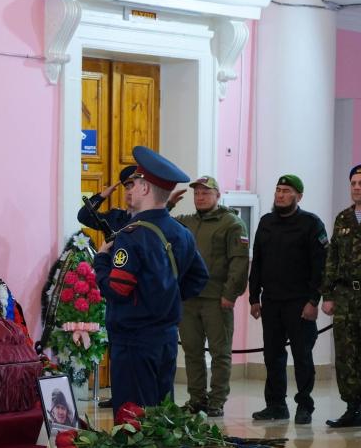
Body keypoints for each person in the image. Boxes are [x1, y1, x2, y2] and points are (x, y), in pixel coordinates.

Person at [93, 146, 209, 413]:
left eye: (134, 184)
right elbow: (199, 277)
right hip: (166, 337)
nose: (129, 190)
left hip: (133, 340)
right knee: (161, 414)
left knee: (133, 419)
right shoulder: (181, 232)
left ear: (146, 189)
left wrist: (100, 261)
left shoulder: (131, 235)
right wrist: (164, 297)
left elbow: (118, 289)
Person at [248, 174, 328, 425]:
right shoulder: (266, 222)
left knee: (302, 356)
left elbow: (320, 267)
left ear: (298, 196)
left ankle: (304, 405)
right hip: (271, 301)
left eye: (286, 191)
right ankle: (276, 405)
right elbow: (257, 263)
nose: (280, 195)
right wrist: (254, 297)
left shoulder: (311, 224)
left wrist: (314, 301)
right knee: (272, 356)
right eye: (278, 190)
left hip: (299, 302)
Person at [174, 175, 250, 418]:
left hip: (217, 299)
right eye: (197, 193)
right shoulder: (186, 222)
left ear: (218, 195)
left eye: (206, 193)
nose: (200, 197)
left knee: (220, 353)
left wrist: (230, 294)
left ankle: (217, 401)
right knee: (192, 351)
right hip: (189, 298)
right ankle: (197, 398)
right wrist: (168, 204)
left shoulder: (232, 223)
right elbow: (159, 223)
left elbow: (239, 262)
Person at [320, 164, 361, 428]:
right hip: (346, 296)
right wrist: (328, 294)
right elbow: (332, 259)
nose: (356, 188)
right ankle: (352, 408)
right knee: (346, 353)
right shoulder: (343, 218)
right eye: (353, 183)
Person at [77, 165, 138, 236]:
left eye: (134, 188)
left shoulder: (149, 219)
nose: (130, 192)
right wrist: (101, 196)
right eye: (127, 188)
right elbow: (83, 216)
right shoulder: (115, 217)